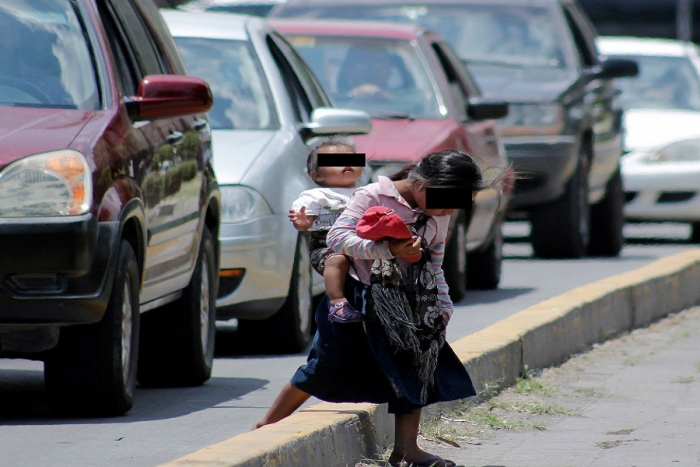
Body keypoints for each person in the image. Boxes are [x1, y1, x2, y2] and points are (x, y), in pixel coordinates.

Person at [256, 150, 494, 467]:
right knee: (324, 365)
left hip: (409, 302)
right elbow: (338, 237)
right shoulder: (372, 195)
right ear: (422, 183)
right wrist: (385, 248)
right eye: (446, 201)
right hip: (360, 296)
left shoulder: (439, 210)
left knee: (415, 368)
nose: (448, 210)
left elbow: (435, 262)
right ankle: (263, 431)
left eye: (456, 203)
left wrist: (442, 305)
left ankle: (407, 450)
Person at [289, 140, 365, 323]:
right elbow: (306, 223)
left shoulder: (367, 192)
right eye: (336, 161)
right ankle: (338, 303)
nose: (347, 164)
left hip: (361, 244)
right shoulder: (316, 196)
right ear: (317, 175)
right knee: (337, 260)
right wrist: (303, 222)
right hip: (327, 245)